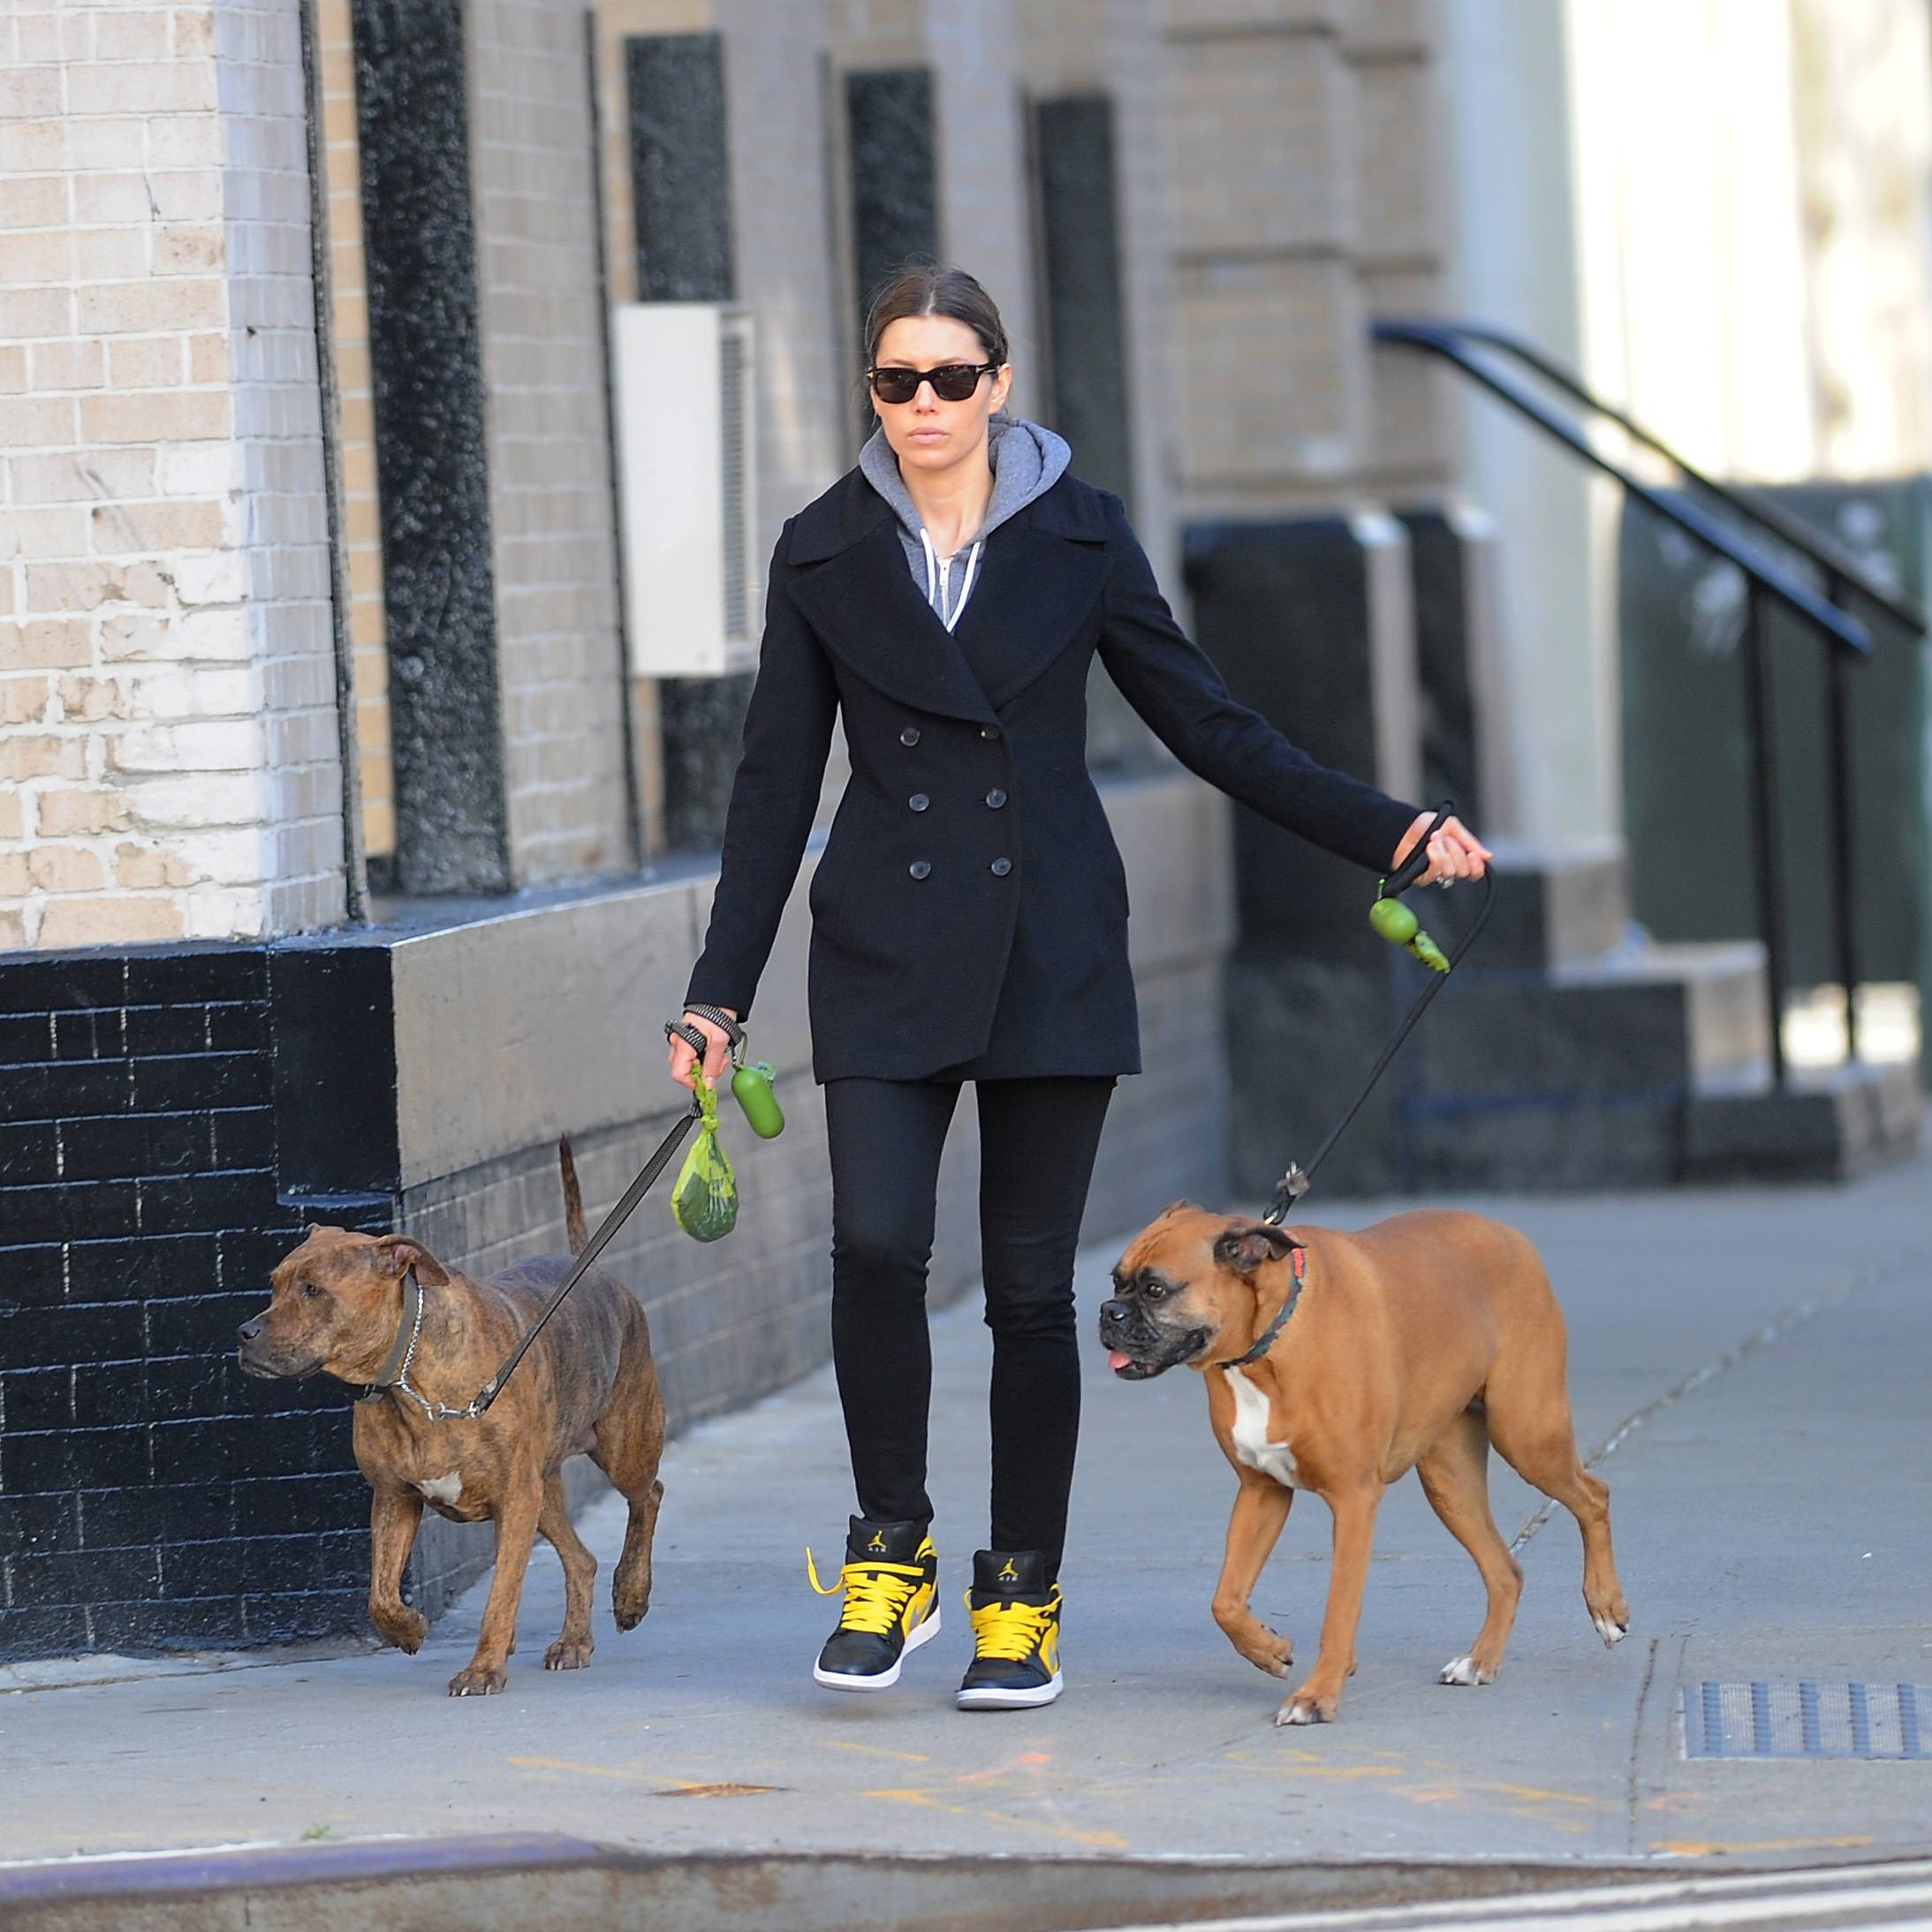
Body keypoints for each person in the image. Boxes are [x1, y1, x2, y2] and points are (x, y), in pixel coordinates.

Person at [666, 264, 1490, 1712]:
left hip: (1048, 946)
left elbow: (1208, 723)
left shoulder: (1083, 532)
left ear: (999, 382)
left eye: (951, 378)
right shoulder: (821, 550)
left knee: (1030, 1290)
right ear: (873, 391)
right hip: (883, 949)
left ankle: (1021, 1596)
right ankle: (890, 1555)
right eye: (896, 381)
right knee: (875, 1249)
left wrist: (1391, 831)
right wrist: (716, 996)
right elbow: (773, 785)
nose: (924, 405)